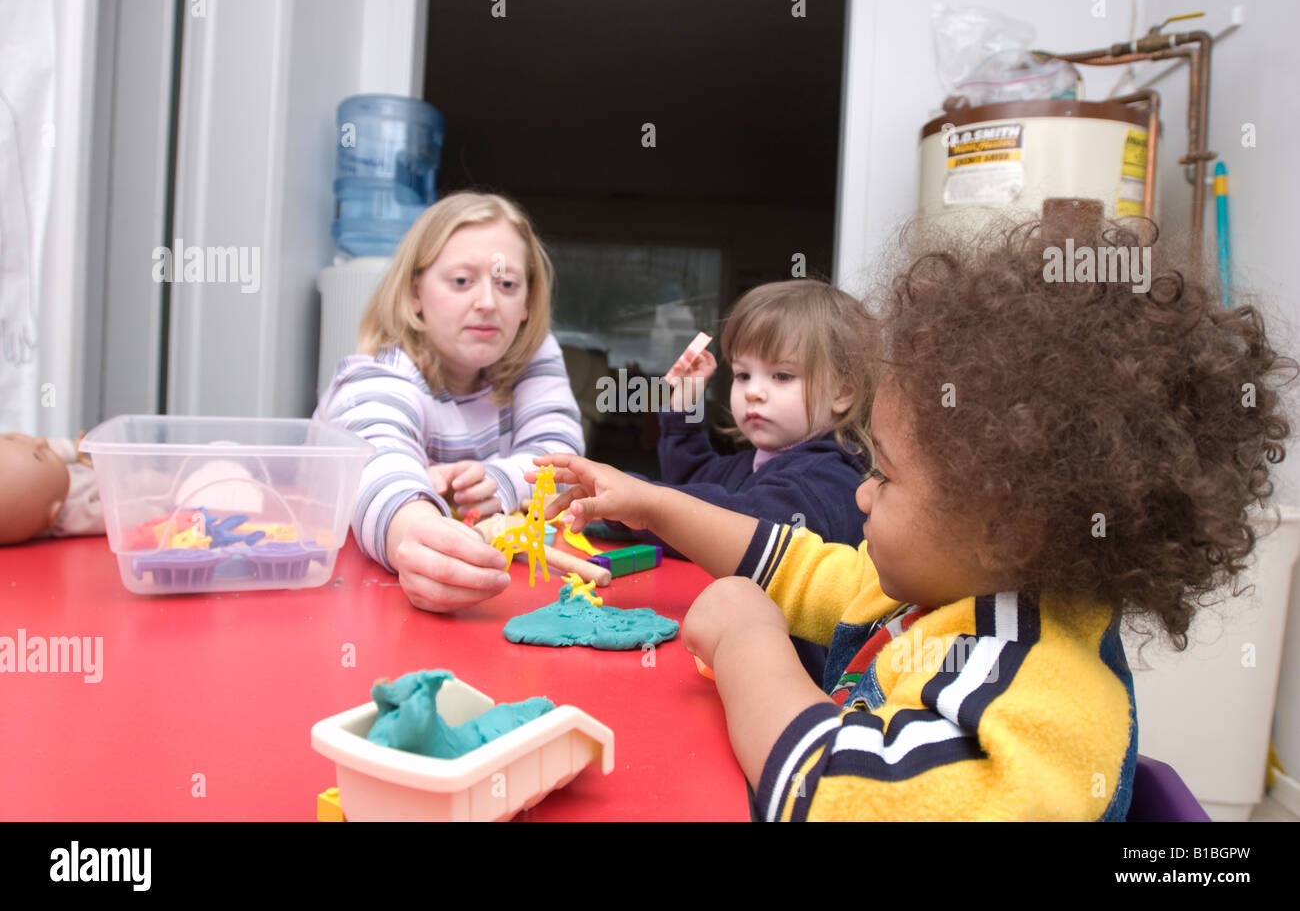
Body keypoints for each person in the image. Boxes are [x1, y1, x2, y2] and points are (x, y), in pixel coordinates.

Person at [533, 209, 1293, 820]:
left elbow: (829, 792)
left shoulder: (1029, 695)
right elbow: (804, 567)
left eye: (885, 477)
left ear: (1008, 525)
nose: (862, 492)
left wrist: (745, 641)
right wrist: (656, 504)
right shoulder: (950, 588)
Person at [315, 192, 584, 612]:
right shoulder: (376, 376)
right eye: (461, 281)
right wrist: (418, 533)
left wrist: (499, 482)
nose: (487, 303)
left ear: (527, 303)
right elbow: (377, 465)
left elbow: (563, 457)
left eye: (507, 284)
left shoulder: (534, 356)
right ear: (414, 293)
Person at [652, 279, 875, 547]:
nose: (752, 392)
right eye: (743, 375)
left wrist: (642, 501)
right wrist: (685, 399)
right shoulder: (750, 464)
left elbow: (740, 529)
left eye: (782, 375)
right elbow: (688, 478)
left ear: (841, 394)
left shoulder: (827, 479)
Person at [0, 432, 103, 544]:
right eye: (38, 456)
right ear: (55, 513)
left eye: (10, 438)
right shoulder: (73, 515)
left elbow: (45, 449)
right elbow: (116, 517)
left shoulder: (40, 475)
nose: (41, 440)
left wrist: (71, 450)